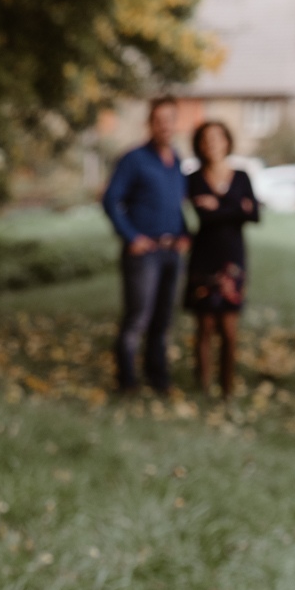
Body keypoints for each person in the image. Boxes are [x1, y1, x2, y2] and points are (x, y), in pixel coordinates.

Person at [101, 96, 192, 396]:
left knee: (163, 319)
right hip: (144, 254)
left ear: (176, 124)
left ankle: (158, 377)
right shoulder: (134, 159)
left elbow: (175, 205)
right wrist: (131, 237)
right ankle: (126, 381)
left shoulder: (176, 161)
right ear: (150, 124)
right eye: (159, 120)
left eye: (170, 120)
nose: (165, 126)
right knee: (137, 318)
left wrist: (184, 234)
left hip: (170, 253)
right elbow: (111, 200)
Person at [184, 120, 260, 400]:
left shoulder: (241, 176)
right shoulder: (193, 178)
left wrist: (219, 206)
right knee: (204, 326)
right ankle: (203, 386)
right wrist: (236, 207)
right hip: (204, 256)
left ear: (227, 141)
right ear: (199, 145)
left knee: (229, 329)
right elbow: (205, 217)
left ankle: (227, 388)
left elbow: (255, 215)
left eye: (217, 138)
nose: (212, 144)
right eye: (205, 139)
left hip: (233, 258)